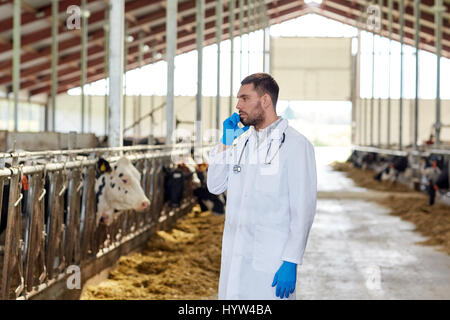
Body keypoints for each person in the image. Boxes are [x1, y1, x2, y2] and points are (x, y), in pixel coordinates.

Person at [207, 73, 317, 300]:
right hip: (235, 259)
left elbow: (303, 209)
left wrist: (291, 260)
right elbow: (215, 185)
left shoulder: (296, 145)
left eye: (245, 98)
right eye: (238, 99)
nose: (238, 105)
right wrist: (226, 141)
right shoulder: (240, 143)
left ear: (265, 101)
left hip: (271, 263)